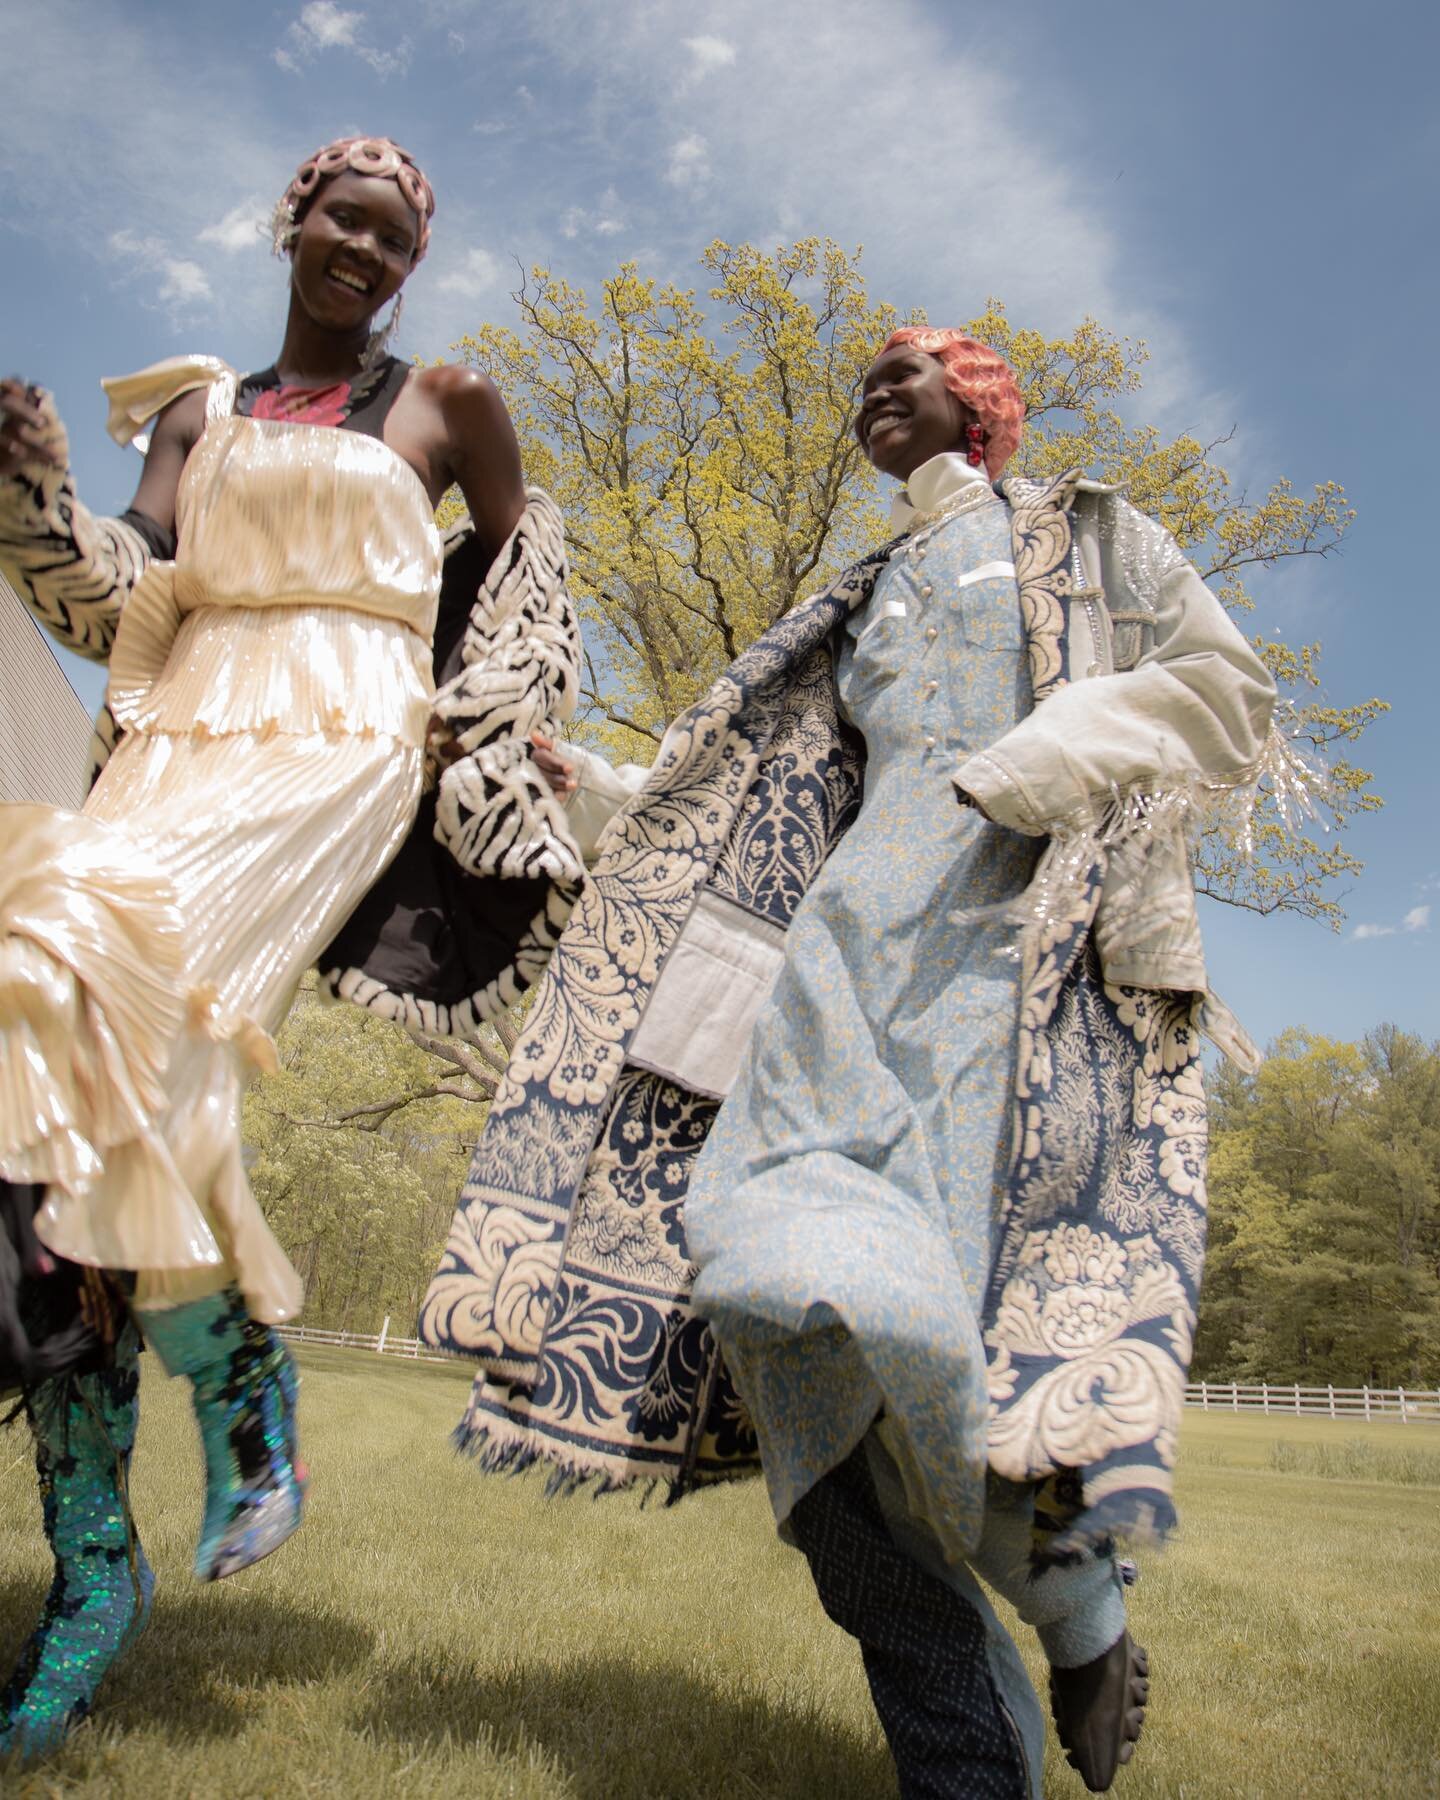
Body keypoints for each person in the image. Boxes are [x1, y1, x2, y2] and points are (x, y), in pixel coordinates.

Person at [417, 328, 1280, 1795]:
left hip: (1005, 977)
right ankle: (1075, 1601)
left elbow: (1222, 689)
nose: (878, 388)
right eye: (867, 375)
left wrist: (1046, 751)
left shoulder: (1086, 533)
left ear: (984, 402)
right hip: (832, 975)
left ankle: (1006, 1707)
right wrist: (617, 786)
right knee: (765, 1282)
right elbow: (775, 800)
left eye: (913, 367)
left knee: (900, 1379)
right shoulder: (862, 591)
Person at [0, 135, 583, 1756]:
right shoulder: (202, 410)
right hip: (176, 729)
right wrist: (36, 489)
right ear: (291, 223)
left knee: (113, 1026)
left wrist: (509, 737)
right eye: (345, 221)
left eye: (395, 237)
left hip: (334, 740)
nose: (367, 253)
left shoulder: (448, 404)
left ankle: (233, 1397)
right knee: (42, 1098)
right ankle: (110, 1546)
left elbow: (525, 588)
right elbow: (119, 594)